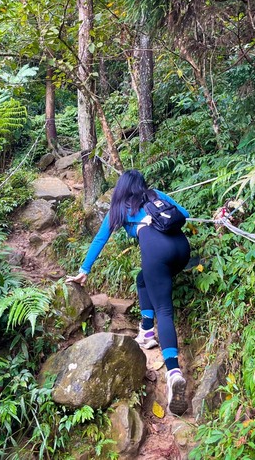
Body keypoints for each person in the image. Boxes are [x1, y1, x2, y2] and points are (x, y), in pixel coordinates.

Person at [67, 170, 191, 415]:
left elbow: (100, 239)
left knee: (164, 310)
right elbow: (184, 214)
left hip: (156, 250)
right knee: (143, 279)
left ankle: (174, 373)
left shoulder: (121, 207)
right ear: (142, 185)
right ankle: (146, 332)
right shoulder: (155, 194)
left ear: (121, 188)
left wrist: (84, 270)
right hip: (182, 249)